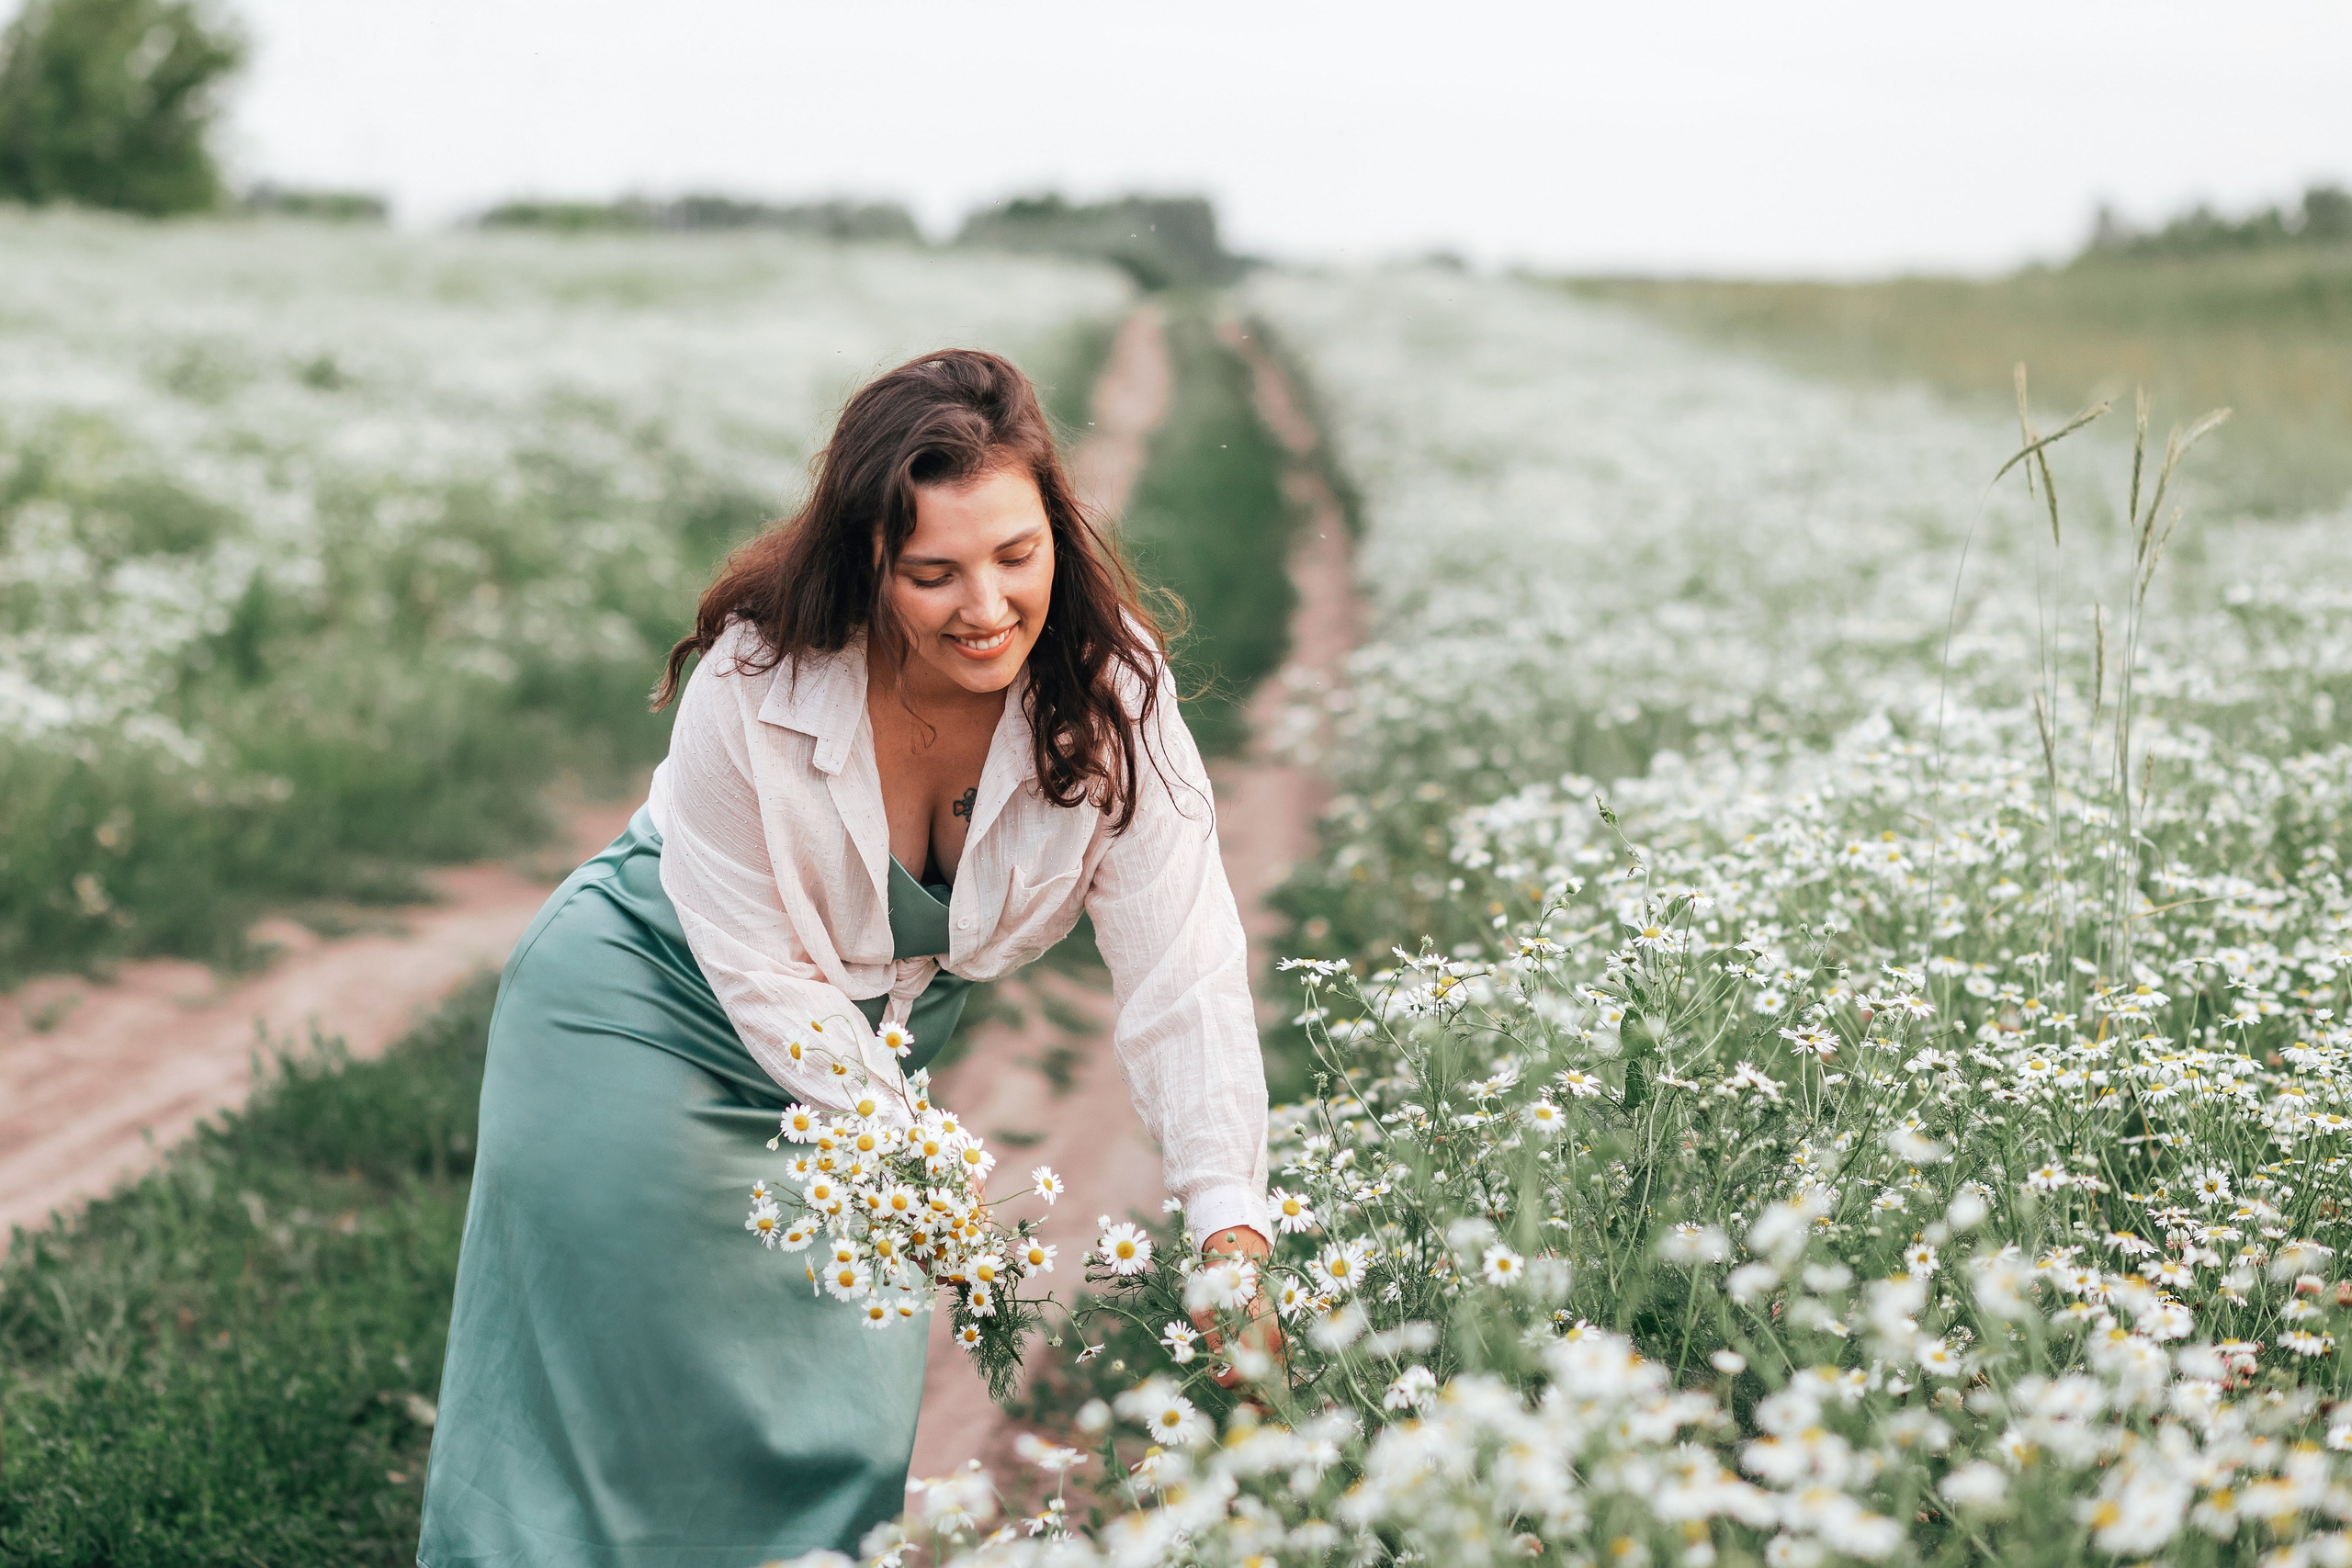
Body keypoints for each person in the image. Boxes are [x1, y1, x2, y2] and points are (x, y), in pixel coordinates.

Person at [418, 348, 1275, 1565]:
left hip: (864, 1066)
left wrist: (1228, 1229)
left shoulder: (1116, 693)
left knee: (832, 1409)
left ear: (1060, 537)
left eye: (1016, 557)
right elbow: (763, 970)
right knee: (613, 1401)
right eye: (934, 573)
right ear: (869, 565)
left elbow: (1183, 973)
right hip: (643, 1006)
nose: (985, 606)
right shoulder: (757, 680)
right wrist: (926, 1185)